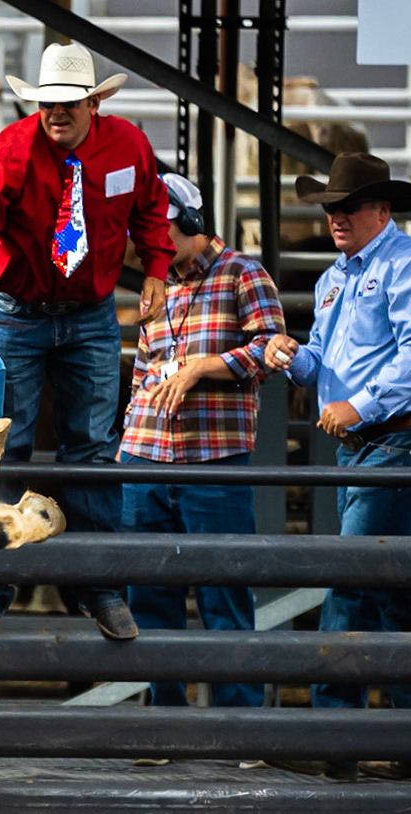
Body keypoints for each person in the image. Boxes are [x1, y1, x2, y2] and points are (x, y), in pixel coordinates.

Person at [0, 41, 175, 642]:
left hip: (88, 310)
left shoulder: (129, 148)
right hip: (20, 311)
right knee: (3, 446)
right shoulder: (7, 155)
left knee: (90, 447)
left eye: (67, 103)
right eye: (46, 104)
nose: (56, 113)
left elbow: (150, 210)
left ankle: (99, 587)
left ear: (94, 102)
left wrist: (159, 269)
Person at [264, 153, 411, 783]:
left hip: (402, 439)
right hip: (380, 443)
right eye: (330, 207)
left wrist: (359, 404)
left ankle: (336, 734)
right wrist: (292, 357)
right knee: (396, 593)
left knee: (352, 579)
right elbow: (324, 360)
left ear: (382, 209)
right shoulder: (334, 280)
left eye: (347, 206)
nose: (336, 216)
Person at [120, 174, 284, 713]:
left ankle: (239, 725)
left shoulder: (243, 273)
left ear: (192, 223)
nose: (152, 246)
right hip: (146, 459)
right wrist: (128, 440)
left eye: (162, 232)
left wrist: (202, 368)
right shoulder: (156, 283)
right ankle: (164, 721)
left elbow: (271, 349)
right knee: (149, 597)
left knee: (224, 591)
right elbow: (144, 369)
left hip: (213, 460)